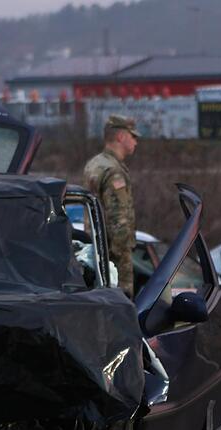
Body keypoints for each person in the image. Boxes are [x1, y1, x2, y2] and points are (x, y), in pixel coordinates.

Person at [84, 115, 139, 296]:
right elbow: (118, 220)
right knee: (122, 301)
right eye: (133, 137)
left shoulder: (95, 164)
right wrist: (121, 256)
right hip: (113, 256)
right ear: (121, 137)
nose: (135, 142)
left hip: (94, 248)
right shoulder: (114, 171)